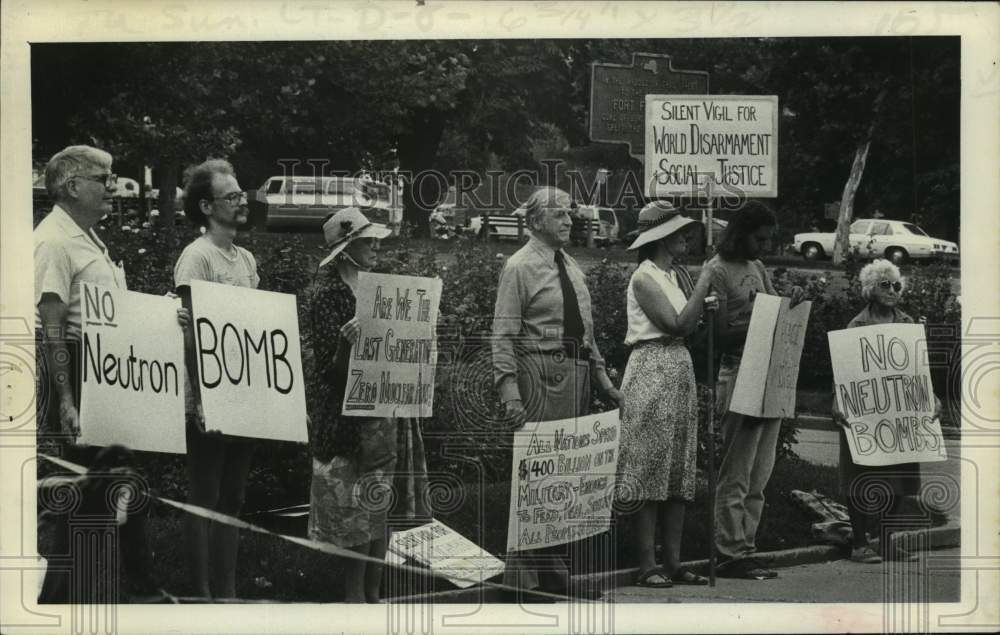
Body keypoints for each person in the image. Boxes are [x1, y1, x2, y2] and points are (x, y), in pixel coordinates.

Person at [34, 145, 187, 602]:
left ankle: (133, 587)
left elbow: (111, 315)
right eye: (103, 179)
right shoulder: (53, 241)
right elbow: (51, 327)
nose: (113, 187)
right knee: (88, 492)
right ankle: (70, 598)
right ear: (72, 185)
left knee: (122, 483)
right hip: (79, 374)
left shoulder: (87, 238)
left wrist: (162, 320)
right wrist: (65, 399)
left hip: (108, 375)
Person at [491, 186, 623, 602]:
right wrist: (509, 391)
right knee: (536, 471)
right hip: (539, 373)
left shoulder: (571, 266)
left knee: (565, 472)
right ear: (534, 221)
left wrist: (603, 381)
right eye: (560, 215)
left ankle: (553, 567)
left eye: (570, 214)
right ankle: (521, 578)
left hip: (576, 374)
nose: (570, 221)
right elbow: (502, 334)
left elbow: (586, 331)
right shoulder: (519, 267)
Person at [305, 207, 430, 603]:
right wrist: (346, 344)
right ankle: (355, 595)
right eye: (366, 240)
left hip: (385, 411)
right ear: (345, 249)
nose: (376, 244)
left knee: (381, 506)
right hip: (350, 420)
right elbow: (330, 373)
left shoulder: (379, 289)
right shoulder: (328, 296)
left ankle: (374, 593)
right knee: (356, 513)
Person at [615, 201, 717, 588]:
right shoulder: (645, 278)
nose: (686, 237)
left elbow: (696, 331)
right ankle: (646, 563)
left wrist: (707, 308)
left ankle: (673, 561)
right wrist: (705, 285)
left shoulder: (677, 277)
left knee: (678, 468)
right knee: (648, 467)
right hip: (651, 368)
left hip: (679, 368)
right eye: (679, 232)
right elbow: (676, 323)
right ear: (659, 236)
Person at [174, 159, 259, 600]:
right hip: (209, 394)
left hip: (242, 392)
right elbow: (191, 336)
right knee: (205, 493)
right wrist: (203, 400)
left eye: (242, 194)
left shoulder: (244, 258)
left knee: (234, 497)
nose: (242, 202)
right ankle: (201, 593)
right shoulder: (198, 256)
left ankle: (227, 591)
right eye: (232, 196)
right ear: (206, 206)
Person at [706, 201, 803, 580]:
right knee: (737, 468)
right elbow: (712, 333)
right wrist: (758, 325)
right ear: (740, 233)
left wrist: (789, 299)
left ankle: (747, 545)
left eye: (768, 240)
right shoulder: (715, 270)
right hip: (737, 370)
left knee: (760, 471)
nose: (763, 246)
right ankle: (728, 550)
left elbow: (777, 309)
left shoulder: (758, 268)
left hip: (766, 371)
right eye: (758, 239)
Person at [832, 259, 939, 563]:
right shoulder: (857, 325)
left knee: (900, 473)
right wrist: (837, 400)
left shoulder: (906, 324)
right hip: (866, 410)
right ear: (870, 289)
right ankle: (859, 542)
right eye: (885, 285)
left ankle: (887, 540)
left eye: (896, 285)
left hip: (899, 410)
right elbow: (844, 370)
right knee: (860, 473)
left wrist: (931, 396)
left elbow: (919, 368)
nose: (893, 290)